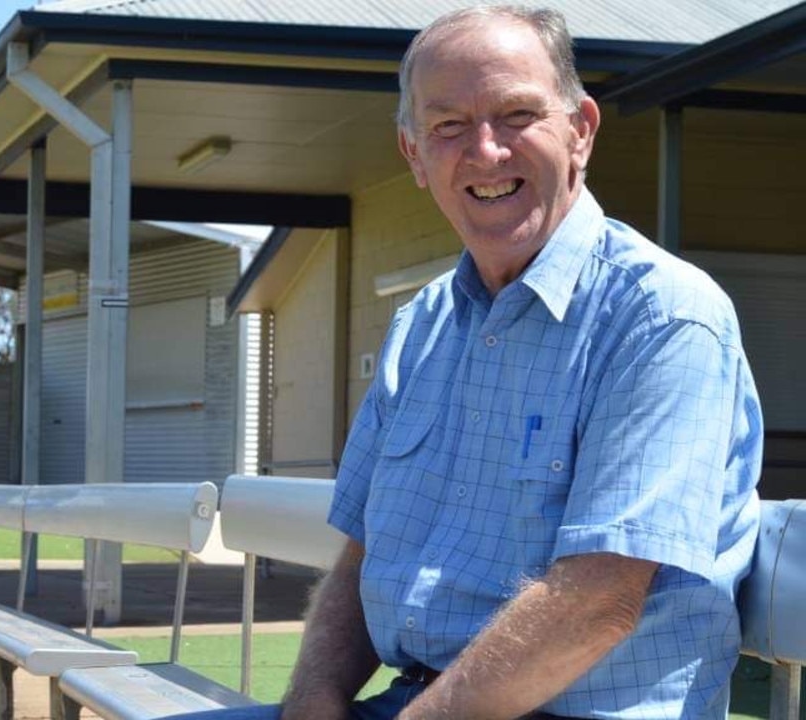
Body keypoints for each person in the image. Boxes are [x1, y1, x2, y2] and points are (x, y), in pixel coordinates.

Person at [167, 5, 762, 720]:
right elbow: (363, 559)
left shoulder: (661, 317)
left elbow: (598, 600)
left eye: (516, 114)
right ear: (414, 155)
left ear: (580, 132)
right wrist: (313, 702)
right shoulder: (422, 327)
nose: (485, 152)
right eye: (448, 126)